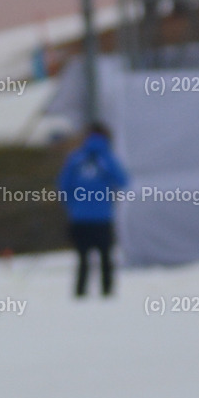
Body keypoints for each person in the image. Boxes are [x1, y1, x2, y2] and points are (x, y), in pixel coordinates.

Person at [57, 122, 130, 297]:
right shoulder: (108, 159)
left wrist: (72, 207)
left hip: (79, 218)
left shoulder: (75, 159)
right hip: (102, 217)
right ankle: (107, 292)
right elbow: (123, 181)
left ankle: (80, 292)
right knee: (106, 258)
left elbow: (63, 187)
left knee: (83, 259)